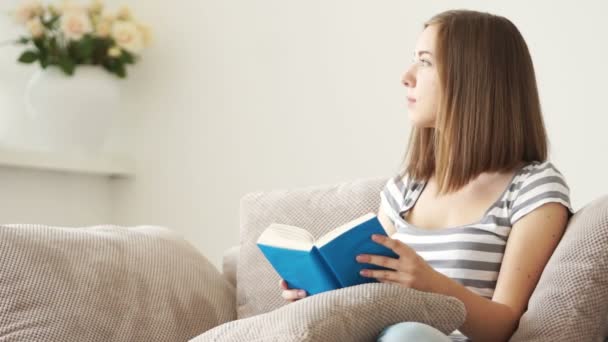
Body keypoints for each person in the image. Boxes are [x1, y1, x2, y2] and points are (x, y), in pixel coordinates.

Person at [279, 9, 573, 342]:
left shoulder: (531, 188)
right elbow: (370, 301)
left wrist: (431, 283)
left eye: (425, 62)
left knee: (406, 335)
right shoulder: (405, 189)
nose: (407, 76)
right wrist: (319, 298)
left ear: (474, 77)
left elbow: (505, 326)